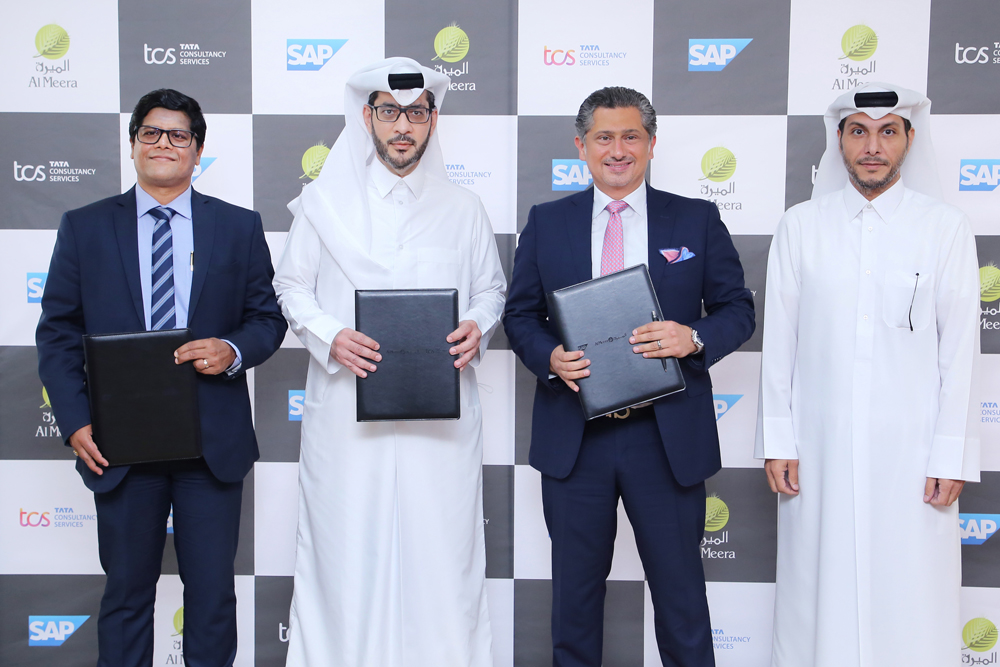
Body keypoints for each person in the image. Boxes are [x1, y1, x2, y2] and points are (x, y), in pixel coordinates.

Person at [504, 86, 755, 667]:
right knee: (573, 607)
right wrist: (549, 358)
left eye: (630, 136)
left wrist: (692, 337)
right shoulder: (547, 223)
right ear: (581, 146)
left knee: (683, 604)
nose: (618, 150)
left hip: (666, 439)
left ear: (651, 143)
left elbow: (737, 309)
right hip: (576, 440)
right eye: (604, 137)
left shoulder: (695, 218)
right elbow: (520, 316)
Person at [36, 88, 286, 667]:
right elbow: (56, 333)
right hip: (120, 445)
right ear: (132, 145)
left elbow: (267, 320)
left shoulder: (239, 227)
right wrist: (75, 422)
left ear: (197, 151)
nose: (164, 144)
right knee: (125, 597)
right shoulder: (85, 227)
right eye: (151, 132)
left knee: (212, 599)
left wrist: (231, 349)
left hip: (210, 443)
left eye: (178, 135)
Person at [272, 57, 506, 666]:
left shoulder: (465, 207)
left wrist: (477, 326)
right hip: (346, 415)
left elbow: (491, 289)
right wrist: (330, 336)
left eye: (416, 112)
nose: (403, 126)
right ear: (367, 117)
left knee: (443, 557)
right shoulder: (322, 205)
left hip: (442, 420)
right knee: (343, 556)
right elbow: (290, 287)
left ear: (433, 120)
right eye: (389, 112)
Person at [755, 82, 980, 667]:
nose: (872, 146)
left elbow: (959, 353)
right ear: (841, 140)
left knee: (912, 597)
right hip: (818, 449)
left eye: (887, 131)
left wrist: (950, 455)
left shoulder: (945, 228)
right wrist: (778, 440)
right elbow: (781, 342)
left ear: (908, 138)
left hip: (912, 455)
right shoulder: (801, 226)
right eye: (859, 131)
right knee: (815, 597)